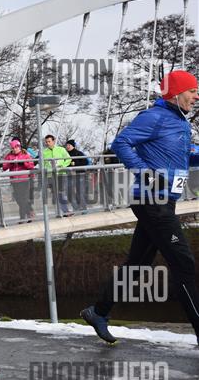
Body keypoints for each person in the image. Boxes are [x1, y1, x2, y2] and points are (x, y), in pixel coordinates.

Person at [81, 70, 199, 347]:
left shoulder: (179, 122)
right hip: (152, 201)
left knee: (138, 264)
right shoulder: (155, 117)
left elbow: (182, 158)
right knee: (183, 263)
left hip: (163, 201)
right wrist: (146, 174)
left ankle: (98, 311)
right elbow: (121, 143)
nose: (196, 96)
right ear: (176, 93)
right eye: (193, 91)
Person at [2, 139, 35, 223]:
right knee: (18, 199)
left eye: (16, 147)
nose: (15, 149)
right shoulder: (9, 156)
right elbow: (4, 167)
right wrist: (11, 163)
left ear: (19, 147)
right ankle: (29, 212)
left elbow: (31, 166)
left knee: (24, 199)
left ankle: (23, 218)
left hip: (24, 180)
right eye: (13, 148)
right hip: (14, 181)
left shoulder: (25, 154)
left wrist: (23, 163)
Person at [42, 135, 72, 216]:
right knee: (56, 194)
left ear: (54, 141)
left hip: (61, 174)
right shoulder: (44, 152)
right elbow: (42, 164)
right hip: (50, 176)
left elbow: (69, 159)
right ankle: (61, 211)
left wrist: (63, 166)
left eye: (49, 141)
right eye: (46, 142)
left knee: (61, 192)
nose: (47, 143)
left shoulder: (61, 149)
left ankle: (65, 211)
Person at [65, 139, 89, 213]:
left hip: (79, 174)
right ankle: (76, 207)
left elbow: (85, 162)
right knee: (69, 192)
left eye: (69, 145)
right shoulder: (65, 154)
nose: (67, 146)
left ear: (73, 146)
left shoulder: (79, 153)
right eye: (66, 145)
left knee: (80, 192)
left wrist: (75, 164)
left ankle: (83, 208)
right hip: (69, 175)